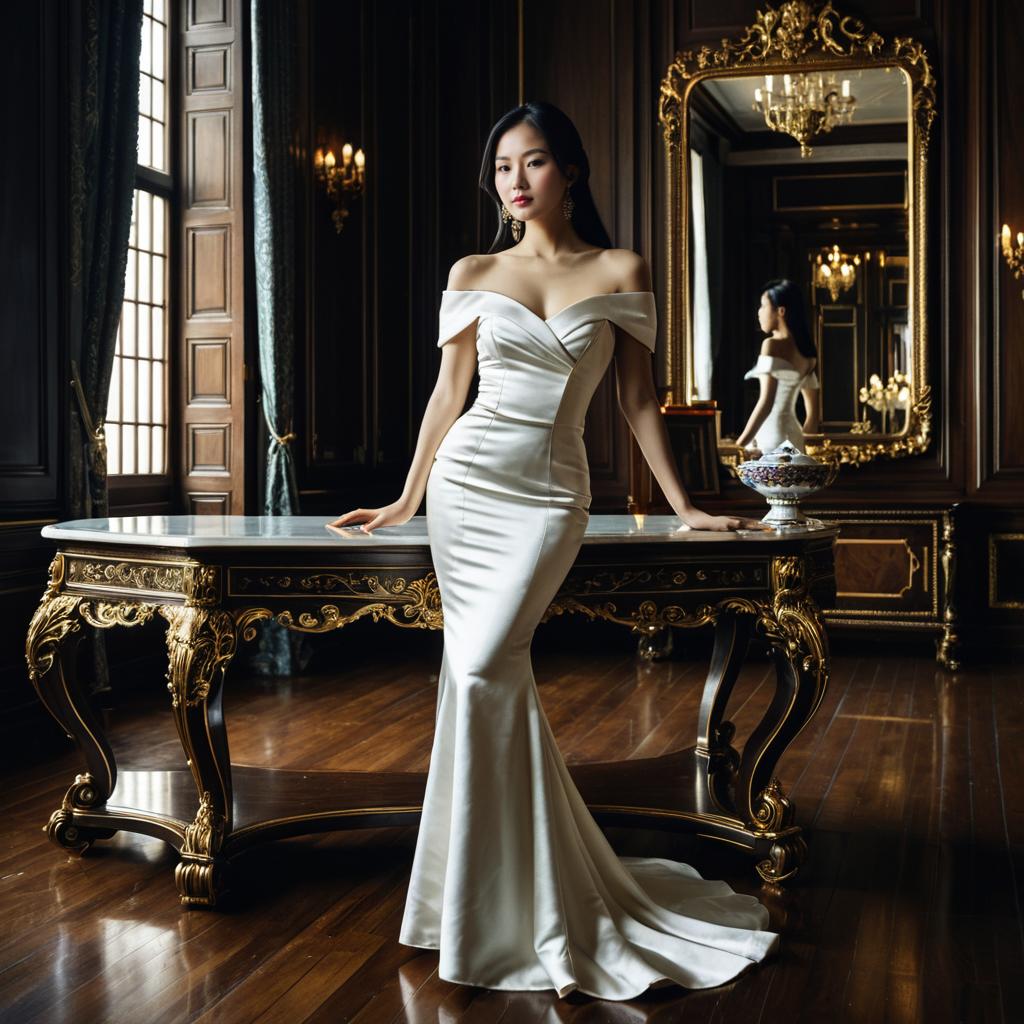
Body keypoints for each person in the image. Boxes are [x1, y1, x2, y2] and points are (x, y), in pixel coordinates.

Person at [328, 101, 777, 1001]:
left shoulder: (621, 269)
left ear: (570, 171)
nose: (516, 181)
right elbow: (446, 394)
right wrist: (411, 494)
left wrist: (686, 505)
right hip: (466, 488)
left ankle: (496, 899)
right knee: (475, 675)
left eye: (533, 163)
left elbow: (638, 404)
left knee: (487, 665)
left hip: (546, 498)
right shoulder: (474, 270)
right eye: (502, 167)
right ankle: (471, 901)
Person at [735, 279, 821, 453]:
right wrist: (801, 446)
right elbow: (813, 415)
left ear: (781, 311)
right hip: (795, 435)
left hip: (771, 434)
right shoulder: (807, 352)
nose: (759, 312)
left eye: (763, 306)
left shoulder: (771, 345)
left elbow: (766, 402)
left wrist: (738, 445)